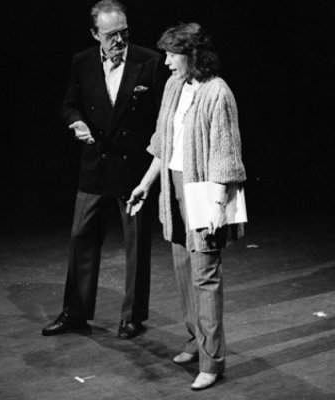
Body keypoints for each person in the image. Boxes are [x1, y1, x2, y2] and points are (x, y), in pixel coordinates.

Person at [126, 22, 247, 389]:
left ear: (192, 55)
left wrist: (216, 206)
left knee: (205, 276)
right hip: (173, 187)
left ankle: (213, 362)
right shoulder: (174, 87)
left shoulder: (217, 93)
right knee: (182, 268)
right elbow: (163, 144)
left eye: (172, 55)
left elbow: (226, 157)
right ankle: (195, 342)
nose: (166, 62)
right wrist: (145, 184)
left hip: (203, 191)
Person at [42, 0, 167, 339]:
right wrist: (76, 123)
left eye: (124, 32)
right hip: (95, 164)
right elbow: (70, 105)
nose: (119, 40)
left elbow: (161, 118)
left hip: (132, 168)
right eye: (111, 34)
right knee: (81, 237)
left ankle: (132, 317)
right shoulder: (81, 62)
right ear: (95, 33)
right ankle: (75, 312)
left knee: (136, 244)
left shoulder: (150, 62)